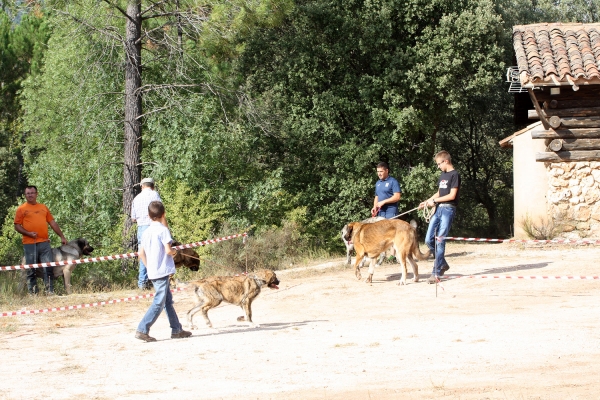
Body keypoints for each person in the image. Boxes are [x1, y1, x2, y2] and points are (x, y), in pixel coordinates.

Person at [135, 201, 192, 342]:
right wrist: (175, 251)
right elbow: (168, 250)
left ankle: (176, 329)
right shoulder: (163, 230)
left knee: (167, 301)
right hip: (162, 271)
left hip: (153, 271)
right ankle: (142, 329)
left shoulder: (146, 232)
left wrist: (148, 267)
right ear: (163, 214)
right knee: (159, 302)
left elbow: (141, 253)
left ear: (149, 216)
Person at [14, 186, 68, 295]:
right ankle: (33, 293)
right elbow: (16, 226)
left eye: (32, 193)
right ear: (25, 195)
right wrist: (28, 233)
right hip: (29, 244)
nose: (30, 195)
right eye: (28, 193)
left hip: (44, 242)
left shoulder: (43, 207)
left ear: (36, 194)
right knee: (31, 269)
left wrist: (61, 236)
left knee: (48, 267)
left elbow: (52, 223)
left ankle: (49, 291)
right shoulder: (21, 208)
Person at [419, 150, 461, 284]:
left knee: (440, 240)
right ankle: (442, 263)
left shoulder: (455, 175)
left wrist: (435, 202)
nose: (438, 167)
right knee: (428, 239)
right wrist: (427, 201)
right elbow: (439, 192)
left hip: (448, 209)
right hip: (438, 210)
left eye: (438, 164)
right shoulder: (443, 175)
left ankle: (436, 273)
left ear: (446, 161)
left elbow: (451, 196)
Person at [131, 177, 167, 289]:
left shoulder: (136, 199)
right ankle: (158, 280)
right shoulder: (154, 195)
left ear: (142, 186)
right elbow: (161, 211)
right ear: (152, 185)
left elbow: (133, 218)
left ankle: (142, 282)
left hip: (141, 228)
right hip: (154, 226)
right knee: (159, 253)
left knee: (143, 254)